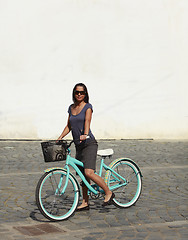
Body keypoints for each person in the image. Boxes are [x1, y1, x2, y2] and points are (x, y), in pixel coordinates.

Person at [57, 83, 115, 210]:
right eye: (77, 92)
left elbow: (87, 121)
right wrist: (60, 137)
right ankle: (85, 202)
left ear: (85, 94)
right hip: (78, 145)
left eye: (82, 92)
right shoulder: (71, 108)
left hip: (89, 143)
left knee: (89, 172)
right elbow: (69, 126)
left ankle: (108, 193)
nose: (79, 94)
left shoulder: (87, 107)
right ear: (74, 93)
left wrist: (85, 133)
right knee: (82, 175)